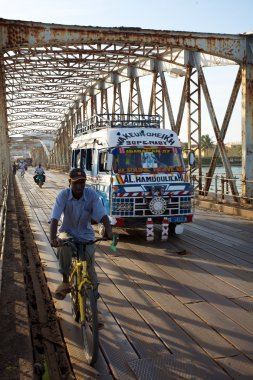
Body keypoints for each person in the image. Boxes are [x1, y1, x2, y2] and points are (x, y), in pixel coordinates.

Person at [49, 167, 113, 302]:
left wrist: (109, 230)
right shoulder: (63, 195)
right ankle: (65, 281)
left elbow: (102, 214)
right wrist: (53, 238)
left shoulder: (92, 195)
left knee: (90, 267)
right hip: (68, 231)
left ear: (85, 183)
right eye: (75, 183)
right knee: (63, 245)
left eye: (82, 182)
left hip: (86, 235)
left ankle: (94, 303)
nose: (79, 186)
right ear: (69, 182)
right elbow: (54, 218)